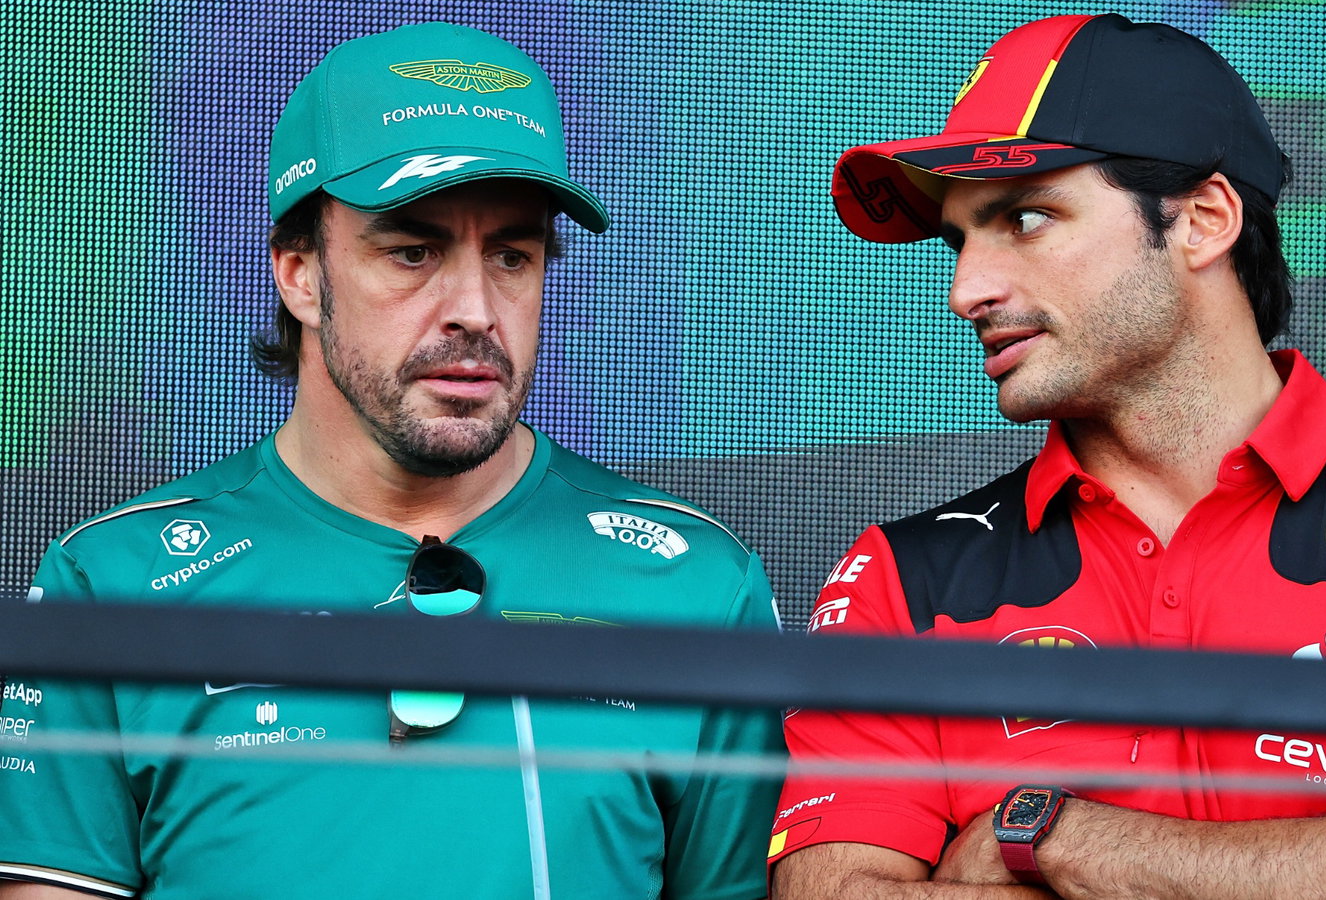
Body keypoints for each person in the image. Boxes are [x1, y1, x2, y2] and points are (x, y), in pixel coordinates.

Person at [769, 13, 1326, 899]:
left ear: (1202, 220)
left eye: (1027, 217)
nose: (969, 289)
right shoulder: (899, 581)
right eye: (960, 239)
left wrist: (1047, 835)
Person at [0, 22, 781, 900]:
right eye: (412, 251)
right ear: (300, 275)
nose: (476, 309)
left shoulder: (698, 585)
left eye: (513, 256)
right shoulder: (111, 583)